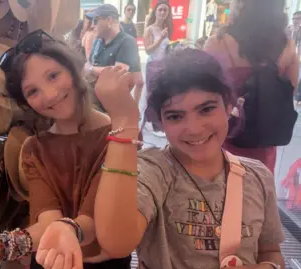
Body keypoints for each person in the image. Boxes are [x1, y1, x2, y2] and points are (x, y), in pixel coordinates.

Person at [0, 30, 132, 269]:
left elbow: (93, 221)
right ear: (26, 103)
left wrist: (66, 231)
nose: (50, 94)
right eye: (32, 91)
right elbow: (48, 221)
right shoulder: (35, 149)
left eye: (53, 75)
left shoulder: (118, 134)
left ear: (73, 68)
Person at [94, 48, 285, 269]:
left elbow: (270, 251)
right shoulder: (153, 170)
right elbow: (116, 242)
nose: (193, 129)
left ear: (229, 106)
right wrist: (123, 121)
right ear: (161, 123)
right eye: (175, 116)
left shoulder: (258, 176)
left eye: (206, 109)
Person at [204, 0, 299, 172]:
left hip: (223, 138)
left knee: (220, 191)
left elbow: (202, 95)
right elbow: (288, 93)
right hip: (263, 143)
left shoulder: (217, 43)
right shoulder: (287, 47)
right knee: (257, 192)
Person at [84, 4, 143, 111]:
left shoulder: (127, 42)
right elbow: (90, 63)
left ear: (109, 20)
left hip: (113, 107)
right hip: (94, 102)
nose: (92, 25)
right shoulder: (98, 41)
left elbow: (118, 72)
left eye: (96, 20)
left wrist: (91, 70)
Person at [141, 0, 173, 137]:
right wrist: (160, 39)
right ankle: (150, 123)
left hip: (164, 65)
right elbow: (148, 50)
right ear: (155, 12)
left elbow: (165, 49)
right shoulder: (149, 29)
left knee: (163, 94)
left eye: (165, 10)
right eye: (160, 10)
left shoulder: (166, 28)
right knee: (151, 94)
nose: (162, 13)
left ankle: (159, 123)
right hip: (153, 65)